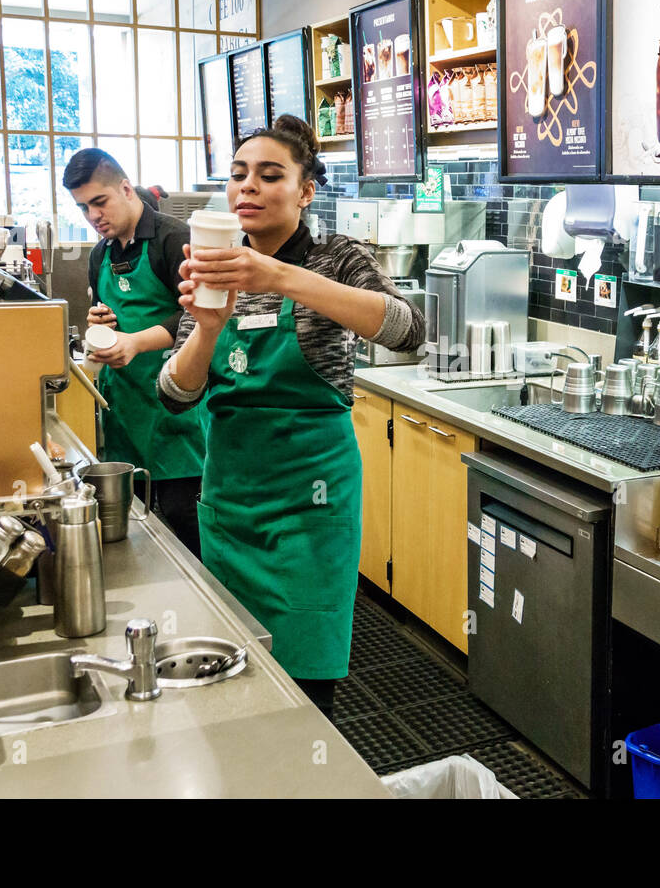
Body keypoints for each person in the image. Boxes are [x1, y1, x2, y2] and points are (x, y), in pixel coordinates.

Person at [157, 115, 425, 719]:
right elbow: (174, 393)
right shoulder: (213, 263)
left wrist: (279, 276)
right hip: (230, 502)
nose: (246, 187)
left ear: (306, 191)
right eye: (238, 175)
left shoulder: (335, 258)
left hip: (311, 508)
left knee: (303, 687)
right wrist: (205, 332)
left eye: (269, 175)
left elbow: (409, 330)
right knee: (230, 679)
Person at [62, 149, 207, 558]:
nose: (93, 216)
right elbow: (110, 314)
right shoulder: (101, 254)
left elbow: (203, 315)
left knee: (187, 527)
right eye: (83, 207)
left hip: (177, 415)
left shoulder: (173, 240)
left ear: (126, 188)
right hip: (125, 413)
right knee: (135, 537)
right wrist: (100, 323)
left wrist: (136, 343)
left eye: (99, 202)